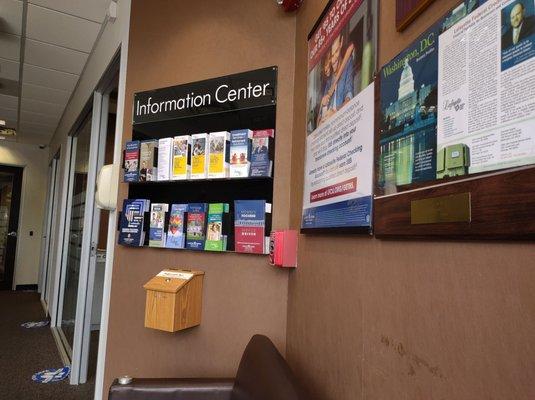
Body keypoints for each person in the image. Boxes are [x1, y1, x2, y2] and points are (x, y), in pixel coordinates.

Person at [317, 34, 355, 125]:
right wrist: (323, 106)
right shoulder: (328, 80)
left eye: (337, 51)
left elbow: (349, 98)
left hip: (342, 124)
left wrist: (336, 112)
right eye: (331, 56)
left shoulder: (347, 64)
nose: (333, 60)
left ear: (341, 43)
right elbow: (318, 122)